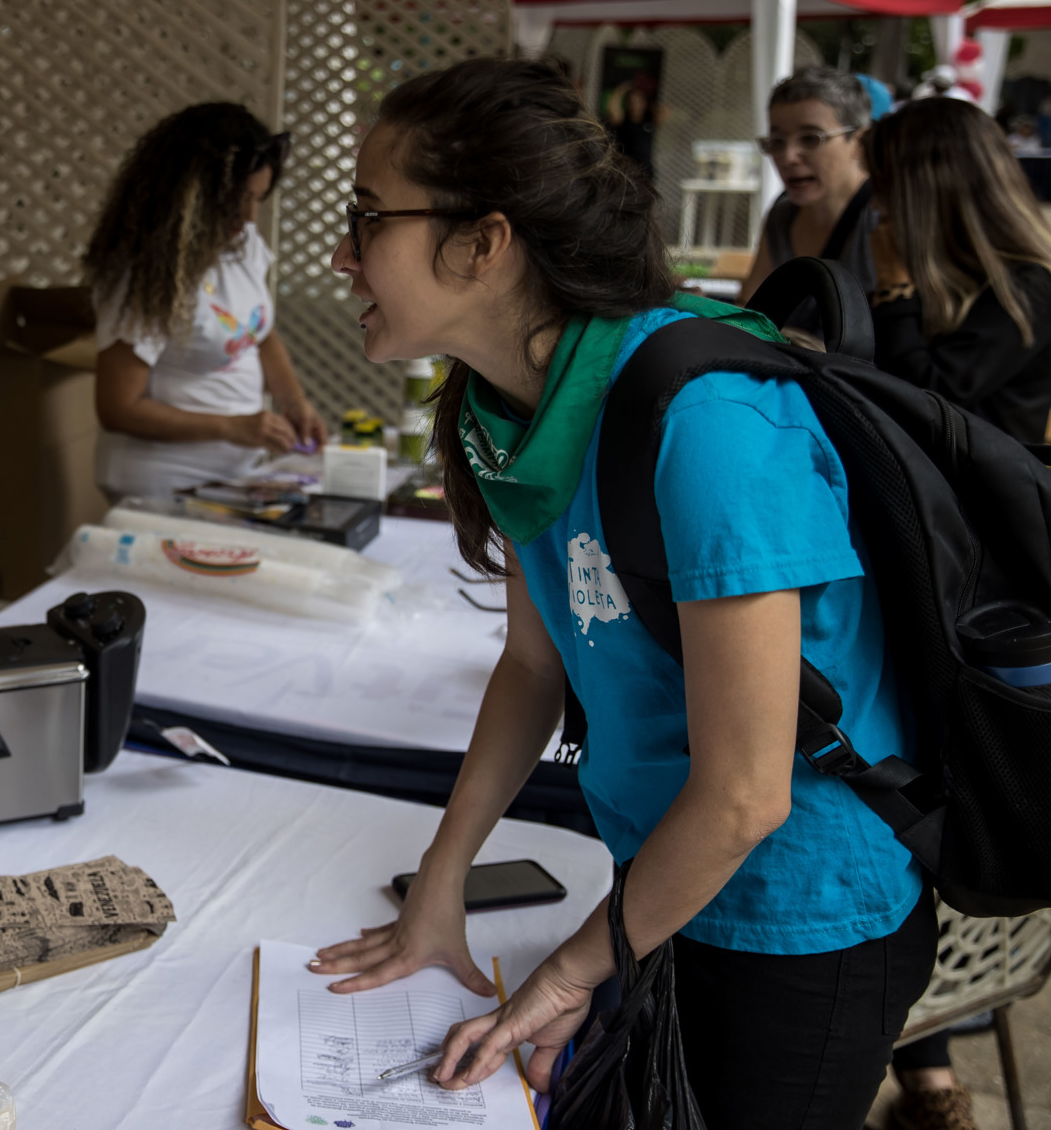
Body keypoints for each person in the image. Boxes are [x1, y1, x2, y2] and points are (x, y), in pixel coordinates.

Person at [308, 57, 932, 1130]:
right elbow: (535, 661)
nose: (341, 252)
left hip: (803, 912)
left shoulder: (706, 423)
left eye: (368, 216)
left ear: (484, 241)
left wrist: (569, 967)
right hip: (661, 885)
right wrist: (442, 880)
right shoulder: (500, 407)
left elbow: (747, 794)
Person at [86, 103, 327, 499]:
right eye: (239, 199)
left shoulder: (242, 244)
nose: (248, 218)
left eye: (258, 199)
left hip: (235, 476)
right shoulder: (144, 272)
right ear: (192, 195)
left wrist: (294, 402)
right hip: (161, 482)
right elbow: (117, 408)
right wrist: (234, 427)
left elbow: (259, 334)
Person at [865, 96, 1051, 446]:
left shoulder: (1027, 284)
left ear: (926, 194)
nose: (876, 206)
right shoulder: (935, 274)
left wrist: (893, 290)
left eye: (883, 188)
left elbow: (926, 401)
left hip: (979, 494)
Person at [740, 67, 878, 317]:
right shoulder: (782, 215)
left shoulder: (883, 218)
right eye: (777, 141)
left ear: (859, 141)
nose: (788, 157)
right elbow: (749, 309)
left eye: (810, 139)